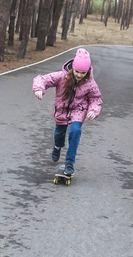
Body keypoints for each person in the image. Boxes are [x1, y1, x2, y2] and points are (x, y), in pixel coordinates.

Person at [33, 48, 102, 177]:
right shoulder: (61, 77)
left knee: (75, 131)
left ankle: (69, 162)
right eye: (77, 72)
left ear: (87, 72)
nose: (80, 75)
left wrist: (93, 110)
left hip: (78, 110)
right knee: (59, 133)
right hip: (61, 109)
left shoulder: (90, 83)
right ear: (72, 69)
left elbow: (95, 98)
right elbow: (42, 79)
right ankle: (57, 147)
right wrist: (39, 89)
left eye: (83, 72)